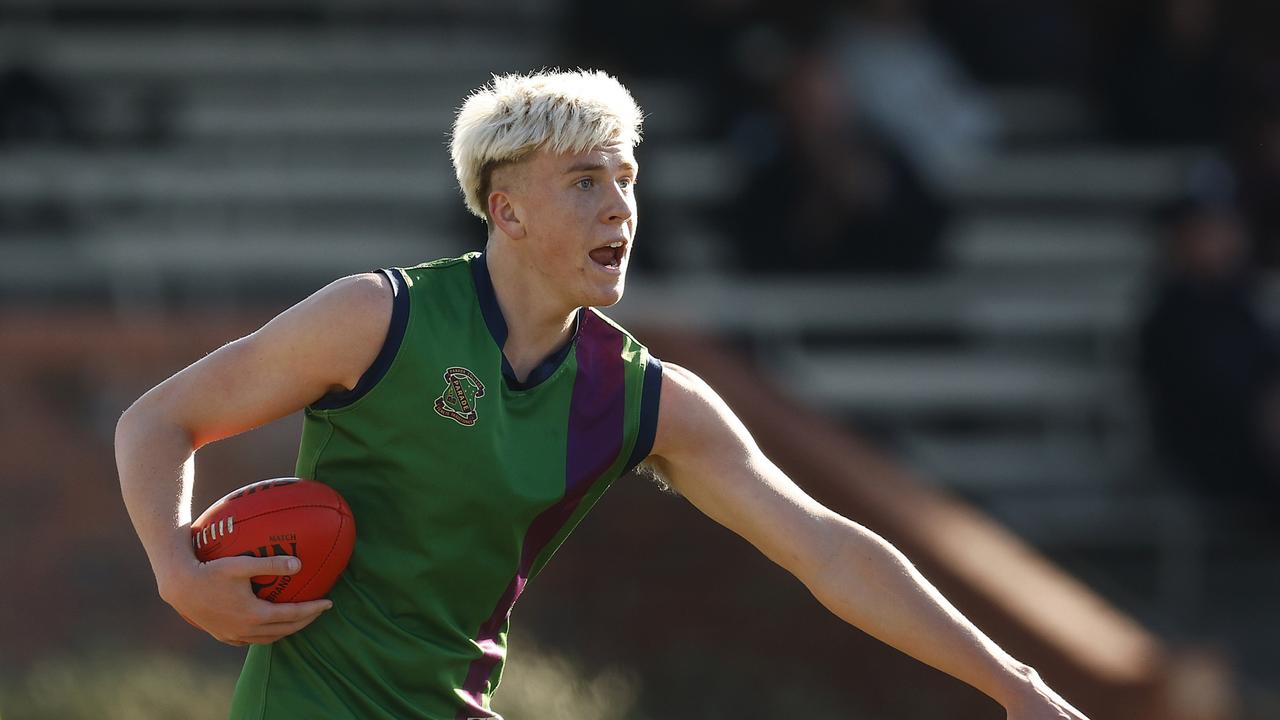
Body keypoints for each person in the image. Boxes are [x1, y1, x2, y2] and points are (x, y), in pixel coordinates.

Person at [116, 69, 1090, 720]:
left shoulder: (646, 400)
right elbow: (158, 418)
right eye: (584, 182)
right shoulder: (377, 317)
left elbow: (825, 547)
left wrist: (1012, 687)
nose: (620, 207)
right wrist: (173, 563)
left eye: (627, 180)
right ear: (505, 209)